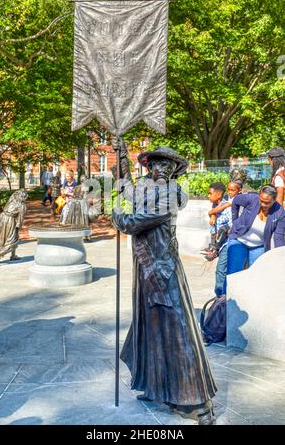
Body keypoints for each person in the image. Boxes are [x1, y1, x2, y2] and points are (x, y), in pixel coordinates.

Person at [112, 137, 217, 426]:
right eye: (155, 162)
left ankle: (194, 400)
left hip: (162, 269)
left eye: (166, 164)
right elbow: (127, 190)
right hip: (146, 268)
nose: (160, 167)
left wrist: (118, 217)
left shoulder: (171, 195)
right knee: (151, 323)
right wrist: (122, 154)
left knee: (175, 328)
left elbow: (135, 221)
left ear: (174, 170)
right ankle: (156, 385)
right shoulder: (148, 190)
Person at [224, 184, 285, 288]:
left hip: (259, 246)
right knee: (233, 273)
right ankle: (225, 300)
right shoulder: (252, 198)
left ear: (274, 200)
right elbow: (236, 200)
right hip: (239, 240)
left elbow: (278, 238)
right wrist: (235, 220)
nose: (262, 204)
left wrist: (280, 257)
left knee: (256, 276)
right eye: (261, 200)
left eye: (267, 203)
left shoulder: (280, 213)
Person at [202, 181, 242, 261]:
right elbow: (214, 210)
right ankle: (213, 246)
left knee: (223, 229)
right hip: (217, 237)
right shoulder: (216, 204)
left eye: (210, 193)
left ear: (219, 195)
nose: (208, 195)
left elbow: (232, 224)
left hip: (226, 241)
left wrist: (212, 213)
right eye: (229, 190)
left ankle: (215, 249)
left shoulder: (229, 205)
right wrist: (212, 215)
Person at [0, 189, 28, 267]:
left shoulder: (12, 199)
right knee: (12, 241)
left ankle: (13, 256)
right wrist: (18, 228)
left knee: (1, 238)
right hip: (9, 220)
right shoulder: (22, 206)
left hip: (2, 217)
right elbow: (20, 220)